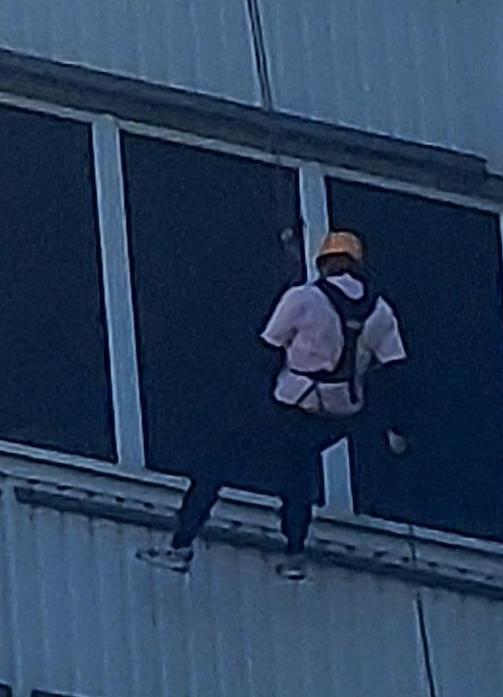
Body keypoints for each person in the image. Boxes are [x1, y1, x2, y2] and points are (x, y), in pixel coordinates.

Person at [143, 228, 407, 580]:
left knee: (217, 461)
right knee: (298, 473)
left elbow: (267, 350)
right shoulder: (381, 311)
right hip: (339, 415)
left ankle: (181, 544)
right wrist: (393, 427)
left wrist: (246, 405)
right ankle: (294, 553)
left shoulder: (304, 298)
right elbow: (393, 371)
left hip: (294, 404)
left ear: (324, 264)